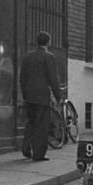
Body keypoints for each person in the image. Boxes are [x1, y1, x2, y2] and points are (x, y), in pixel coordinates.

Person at [18, 31, 64, 162]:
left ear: (37, 41)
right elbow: (53, 79)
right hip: (43, 96)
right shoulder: (49, 57)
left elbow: (22, 77)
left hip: (30, 96)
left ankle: (26, 148)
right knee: (42, 125)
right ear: (48, 42)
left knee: (31, 123)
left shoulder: (28, 57)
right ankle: (39, 154)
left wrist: (25, 93)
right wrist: (58, 96)